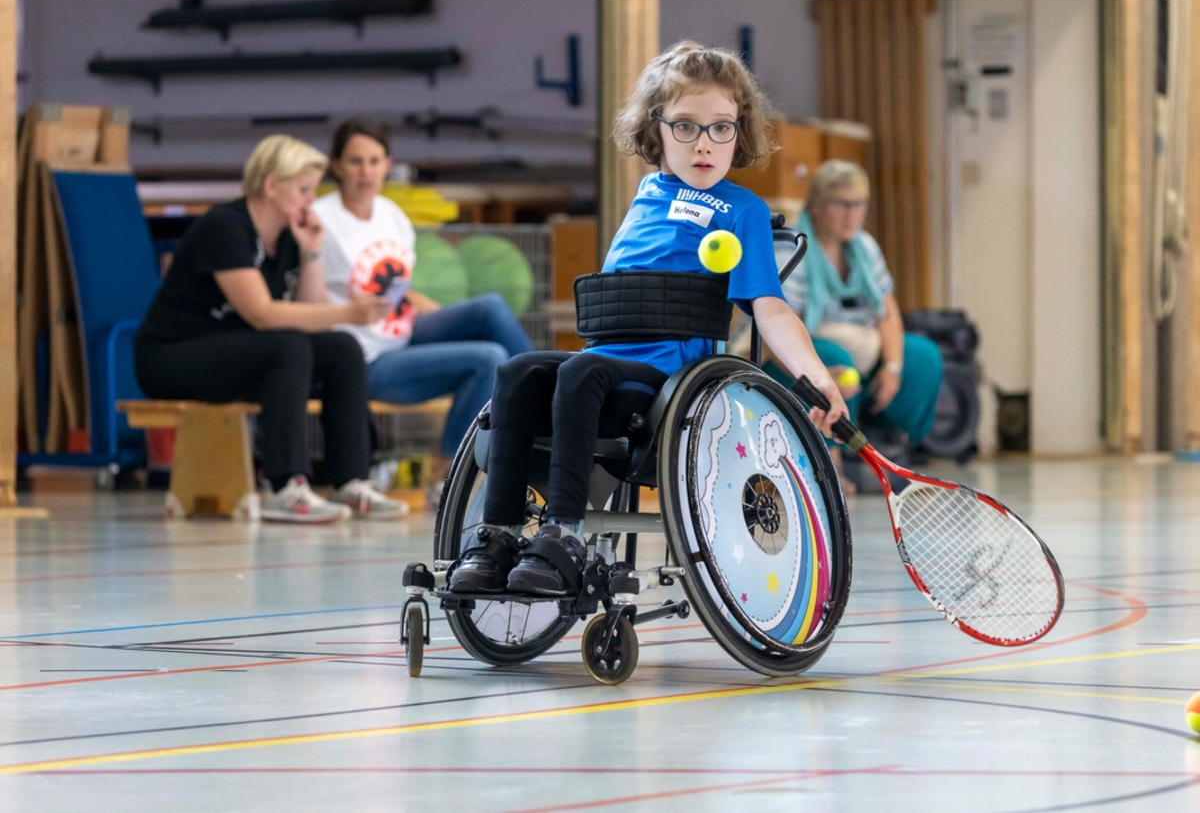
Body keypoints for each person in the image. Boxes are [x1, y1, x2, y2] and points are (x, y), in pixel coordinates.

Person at [448, 41, 848, 597]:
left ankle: (564, 535)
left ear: (740, 132)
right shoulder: (647, 193)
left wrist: (817, 374)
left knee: (579, 373)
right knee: (517, 371)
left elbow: (771, 307)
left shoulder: (743, 211)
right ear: (655, 130)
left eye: (721, 128)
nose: (704, 143)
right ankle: (496, 537)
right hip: (604, 360)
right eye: (685, 126)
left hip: (665, 380)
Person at [135, 134, 408, 523]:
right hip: (171, 355)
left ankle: (351, 481)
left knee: (341, 348)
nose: (310, 200)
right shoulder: (225, 226)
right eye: (303, 189)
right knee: (288, 346)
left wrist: (311, 251)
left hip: (236, 351)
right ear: (270, 185)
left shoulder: (289, 235)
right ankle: (285, 486)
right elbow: (261, 314)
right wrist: (347, 311)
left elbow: (310, 313)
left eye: (313, 190)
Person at [311, 118, 533, 506]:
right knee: (488, 359)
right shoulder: (320, 219)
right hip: (365, 358)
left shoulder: (391, 215)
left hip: (403, 329)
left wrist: (448, 318)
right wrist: (347, 311)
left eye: (374, 161)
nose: (366, 172)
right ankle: (447, 477)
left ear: (387, 164)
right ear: (337, 166)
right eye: (355, 161)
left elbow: (399, 291)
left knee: (490, 307)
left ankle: (545, 398)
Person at [767, 159, 942, 492]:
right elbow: (779, 326)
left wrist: (892, 368)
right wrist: (817, 373)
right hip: (801, 351)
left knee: (922, 356)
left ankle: (899, 448)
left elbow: (887, 313)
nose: (851, 214)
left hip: (861, 344)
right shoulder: (792, 249)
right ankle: (829, 459)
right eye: (841, 204)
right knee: (838, 360)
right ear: (817, 206)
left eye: (859, 204)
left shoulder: (864, 246)